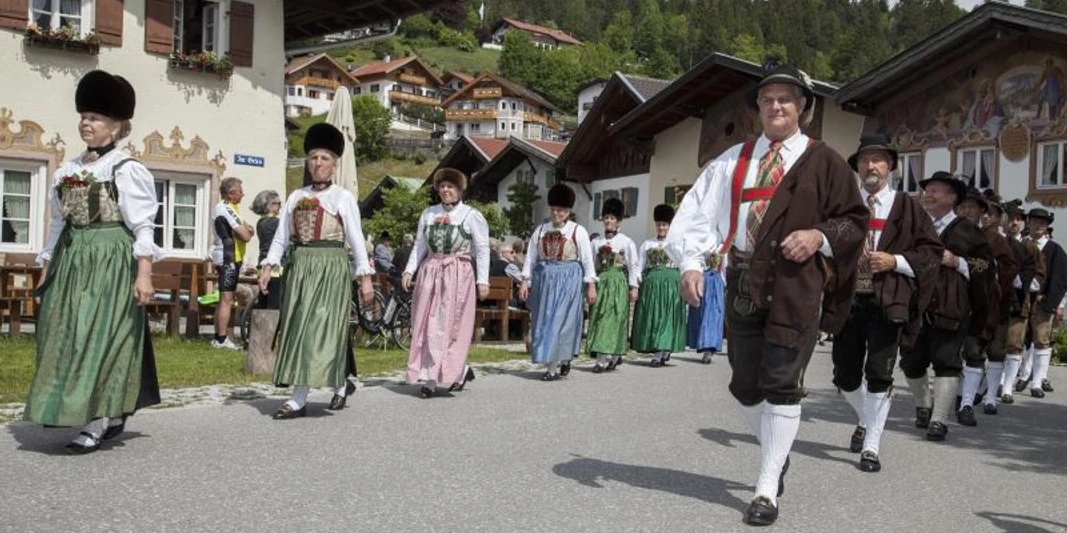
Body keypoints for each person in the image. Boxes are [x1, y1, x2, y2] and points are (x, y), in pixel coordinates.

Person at [665, 63, 867, 526]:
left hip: (797, 282)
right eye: (767, 99)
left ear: (805, 108)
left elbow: (854, 221)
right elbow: (696, 212)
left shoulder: (826, 161)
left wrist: (819, 236)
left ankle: (766, 485)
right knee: (743, 384)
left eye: (787, 99)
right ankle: (778, 453)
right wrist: (691, 264)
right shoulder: (733, 159)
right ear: (758, 108)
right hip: (741, 280)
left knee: (780, 383)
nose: (776, 106)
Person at [25, 70, 163, 453]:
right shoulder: (69, 169)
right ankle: (78, 407)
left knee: (100, 336)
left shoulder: (126, 169)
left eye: (96, 117)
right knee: (66, 333)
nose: (86, 123)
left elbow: (143, 226)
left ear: (118, 127)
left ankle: (99, 418)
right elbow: (58, 224)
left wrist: (144, 275)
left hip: (111, 259)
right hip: (73, 260)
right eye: (84, 115)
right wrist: (48, 269)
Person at [831, 135, 942, 473]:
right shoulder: (844, 205)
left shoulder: (909, 208)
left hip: (888, 301)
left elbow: (931, 254)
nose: (871, 166)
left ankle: (872, 445)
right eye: (865, 160)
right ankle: (866, 417)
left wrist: (895, 261)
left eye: (878, 160)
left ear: (891, 166)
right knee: (845, 376)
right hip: (849, 300)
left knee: (879, 373)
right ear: (858, 167)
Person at [258, 123, 375, 419]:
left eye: (324, 158)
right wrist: (268, 266)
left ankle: (319, 390)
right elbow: (282, 236)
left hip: (330, 267)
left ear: (334, 165)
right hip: (300, 268)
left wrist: (364, 279)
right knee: (298, 328)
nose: (317, 163)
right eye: (313, 158)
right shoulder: (296, 196)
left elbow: (356, 240)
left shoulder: (343, 197)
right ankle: (324, 388)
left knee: (323, 327)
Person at [899, 172, 994, 442]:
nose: (928, 194)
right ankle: (923, 404)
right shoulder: (916, 226)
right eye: (927, 189)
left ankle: (939, 419)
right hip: (915, 306)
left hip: (951, 307)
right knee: (910, 362)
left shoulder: (967, 230)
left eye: (935, 190)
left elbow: (987, 266)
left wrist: (958, 262)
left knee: (947, 362)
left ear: (952, 198)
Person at [402, 168, 490, 398]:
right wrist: (409, 270)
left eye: (450, 186)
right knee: (425, 323)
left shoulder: (471, 215)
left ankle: (443, 375)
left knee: (450, 326)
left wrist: (483, 280)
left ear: (460, 190)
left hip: (457, 274)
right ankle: (438, 374)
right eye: (442, 186)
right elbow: (420, 245)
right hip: (431, 272)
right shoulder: (428, 214)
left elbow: (482, 250)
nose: (445, 190)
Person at [519, 184, 597, 381]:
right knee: (545, 321)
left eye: (560, 210)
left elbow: (587, 260)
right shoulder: (540, 230)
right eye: (553, 209)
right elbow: (531, 257)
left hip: (568, 279)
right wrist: (525, 281)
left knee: (562, 321)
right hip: (544, 279)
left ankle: (555, 365)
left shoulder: (577, 231)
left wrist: (590, 285)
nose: (556, 213)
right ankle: (557, 360)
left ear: (568, 211)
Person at [954, 187, 1018, 425]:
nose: (968, 211)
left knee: (976, 351)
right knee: (951, 354)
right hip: (954, 302)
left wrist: (990, 279)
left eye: (973, 207)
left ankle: (969, 402)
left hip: (984, 304)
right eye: (964, 207)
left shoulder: (996, 240)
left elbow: (1009, 268)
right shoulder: (953, 232)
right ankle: (961, 393)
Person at [981, 198, 1040, 413]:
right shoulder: (978, 239)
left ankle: (1001, 390)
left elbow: (1031, 271)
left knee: (1008, 347)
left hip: (1011, 303)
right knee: (974, 350)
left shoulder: (1020, 246)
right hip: (980, 303)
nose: (1014, 222)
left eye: (1018, 219)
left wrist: (1013, 280)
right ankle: (973, 391)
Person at [1008, 208, 1066, 398]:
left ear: (1047, 225)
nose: (1039, 225)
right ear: (1029, 223)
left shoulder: (1054, 249)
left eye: (1043, 222)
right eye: (1035, 221)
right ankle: (1006, 383)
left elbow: (1060, 278)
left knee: (1041, 341)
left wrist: (1054, 303)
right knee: (1015, 341)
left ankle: (1037, 383)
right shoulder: (1019, 245)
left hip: (1042, 302)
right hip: (1020, 301)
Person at [999, 204, 1046, 405]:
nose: (1014, 222)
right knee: (991, 346)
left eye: (1018, 218)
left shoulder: (1030, 247)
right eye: (1011, 218)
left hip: (1019, 304)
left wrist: (1020, 281)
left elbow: (1040, 278)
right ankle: (993, 384)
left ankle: (1007, 387)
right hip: (995, 302)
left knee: (1014, 344)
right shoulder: (995, 242)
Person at [586, 198, 640, 372]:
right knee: (601, 319)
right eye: (606, 217)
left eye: (612, 218)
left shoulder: (626, 242)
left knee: (616, 318)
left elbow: (633, 266)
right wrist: (591, 284)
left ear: (618, 221)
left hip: (618, 283)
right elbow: (591, 266)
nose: (608, 221)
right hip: (602, 283)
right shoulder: (596, 242)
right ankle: (601, 359)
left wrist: (634, 287)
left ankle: (615, 355)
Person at [632, 204, 689, 366]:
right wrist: (636, 284)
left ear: (670, 226)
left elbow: (684, 264)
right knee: (655, 316)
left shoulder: (677, 244)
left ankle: (660, 352)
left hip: (671, 284)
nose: (661, 227)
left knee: (667, 316)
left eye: (664, 224)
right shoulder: (647, 244)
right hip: (651, 285)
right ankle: (659, 349)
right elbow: (639, 266)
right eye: (659, 224)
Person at [209, 177, 254, 349]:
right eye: (240, 191)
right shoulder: (225, 208)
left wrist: (248, 230)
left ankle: (217, 338)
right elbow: (246, 235)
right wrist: (247, 232)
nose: (243, 194)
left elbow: (249, 230)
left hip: (229, 257)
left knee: (224, 299)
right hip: (228, 257)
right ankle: (221, 339)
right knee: (227, 300)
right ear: (231, 193)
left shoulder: (231, 208)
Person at [250, 189, 283, 309]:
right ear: (270, 205)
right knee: (274, 303)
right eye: (278, 203)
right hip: (274, 265)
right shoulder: (275, 222)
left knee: (263, 300)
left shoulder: (261, 222)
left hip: (262, 262)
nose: (280, 206)